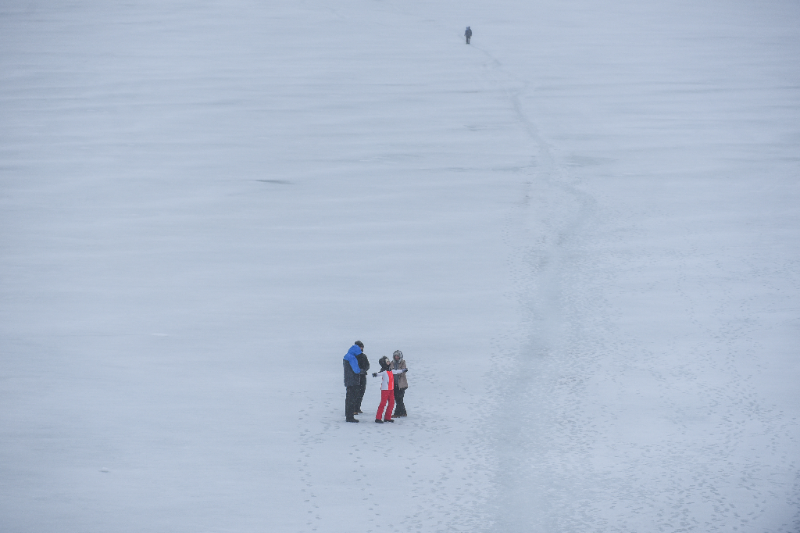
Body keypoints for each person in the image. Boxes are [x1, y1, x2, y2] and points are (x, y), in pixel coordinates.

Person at [372, 356, 408, 423]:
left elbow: (397, 371)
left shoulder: (391, 370)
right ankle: (378, 418)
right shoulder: (384, 371)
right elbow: (378, 374)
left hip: (391, 389)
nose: (389, 362)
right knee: (383, 403)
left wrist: (403, 370)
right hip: (385, 390)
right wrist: (375, 374)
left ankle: (387, 417)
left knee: (391, 403)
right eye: (387, 361)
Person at [343, 341, 363, 423]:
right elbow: (356, 370)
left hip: (348, 380)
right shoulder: (352, 358)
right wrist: (362, 371)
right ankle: (350, 417)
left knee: (348, 398)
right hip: (353, 381)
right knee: (351, 399)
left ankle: (348, 415)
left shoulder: (347, 356)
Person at [391, 350, 409, 417]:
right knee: (398, 399)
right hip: (394, 384)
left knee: (399, 398)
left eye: (397, 356)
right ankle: (403, 412)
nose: (396, 357)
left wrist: (397, 372)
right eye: (395, 356)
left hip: (401, 384)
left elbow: (403, 371)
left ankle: (397, 413)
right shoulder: (392, 363)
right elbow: (391, 370)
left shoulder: (403, 362)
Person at [355, 347, 370, 415]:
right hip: (356, 376)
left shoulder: (364, 356)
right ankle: (354, 408)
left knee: (361, 392)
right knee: (356, 392)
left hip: (363, 376)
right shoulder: (354, 356)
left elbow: (367, 365)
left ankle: (358, 407)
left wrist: (364, 370)